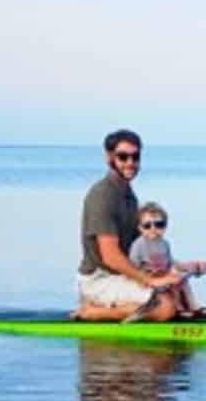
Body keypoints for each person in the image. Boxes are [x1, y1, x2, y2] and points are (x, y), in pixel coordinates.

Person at [74, 129, 183, 322]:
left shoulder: (128, 195)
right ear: (109, 157)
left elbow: (142, 247)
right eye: (123, 157)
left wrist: (182, 266)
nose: (130, 162)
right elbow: (111, 257)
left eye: (135, 156)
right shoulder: (102, 196)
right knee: (165, 308)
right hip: (99, 280)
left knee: (176, 288)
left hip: (118, 276)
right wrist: (149, 280)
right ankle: (93, 312)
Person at [129, 202, 206, 318]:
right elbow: (132, 267)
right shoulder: (139, 245)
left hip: (165, 277)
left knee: (181, 279)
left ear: (165, 226)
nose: (153, 229)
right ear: (140, 228)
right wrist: (144, 278)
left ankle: (194, 306)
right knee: (173, 280)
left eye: (159, 224)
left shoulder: (164, 244)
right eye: (147, 226)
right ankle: (179, 309)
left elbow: (170, 263)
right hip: (149, 281)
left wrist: (188, 267)